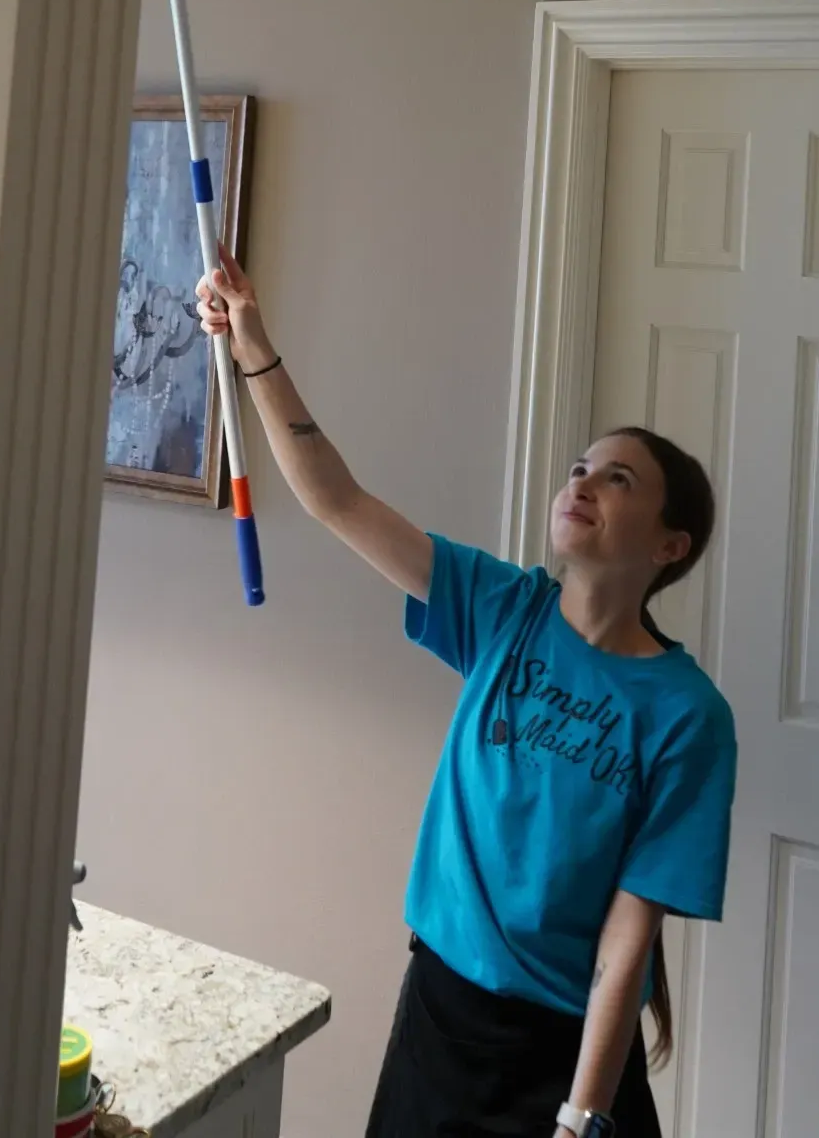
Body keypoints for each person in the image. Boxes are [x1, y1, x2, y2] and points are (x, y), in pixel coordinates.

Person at [197, 247, 737, 1138]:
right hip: (440, 1017)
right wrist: (254, 343)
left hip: (563, 1061)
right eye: (579, 466)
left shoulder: (688, 716)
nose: (583, 482)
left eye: (619, 478)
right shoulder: (501, 606)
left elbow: (627, 942)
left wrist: (581, 1119)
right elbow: (335, 498)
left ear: (670, 546)